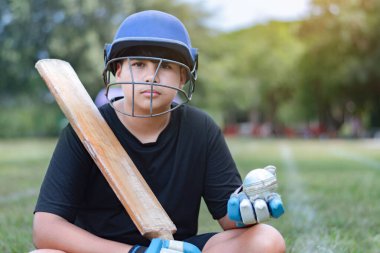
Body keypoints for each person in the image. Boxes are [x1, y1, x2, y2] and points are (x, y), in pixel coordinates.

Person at [31, 10, 286, 253]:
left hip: (176, 247)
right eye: (139, 64)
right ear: (118, 71)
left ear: (183, 77)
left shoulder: (201, 129)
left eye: (165, 67)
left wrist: (246, 210)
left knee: (266, 239)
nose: (151, 76)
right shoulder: (84, 130)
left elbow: (229, 221)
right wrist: (136, 251)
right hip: (104, 249)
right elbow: (46, 228)